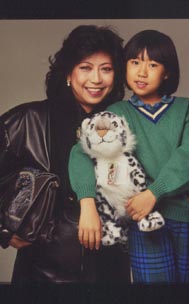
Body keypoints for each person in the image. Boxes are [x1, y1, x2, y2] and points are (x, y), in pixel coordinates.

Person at [69, 29, 189, 284]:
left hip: (187, 216)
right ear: (125, 67)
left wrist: (154, 193)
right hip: (143, 220)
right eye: (135, 62)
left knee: (188, 288)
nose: (142, 72)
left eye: (153, 64)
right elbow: (81, 152)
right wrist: (87, 202)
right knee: (152, 290)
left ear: (167, 72)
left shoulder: (186, 108)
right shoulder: (117, 112)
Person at [0, 25, 131, 284]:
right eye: (85, 67)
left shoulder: (126, 122)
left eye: (106, 69)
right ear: (68, 73)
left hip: (111, 270)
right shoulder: (29, 120)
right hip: (43, 274)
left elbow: (183, 151)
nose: (96, 79)